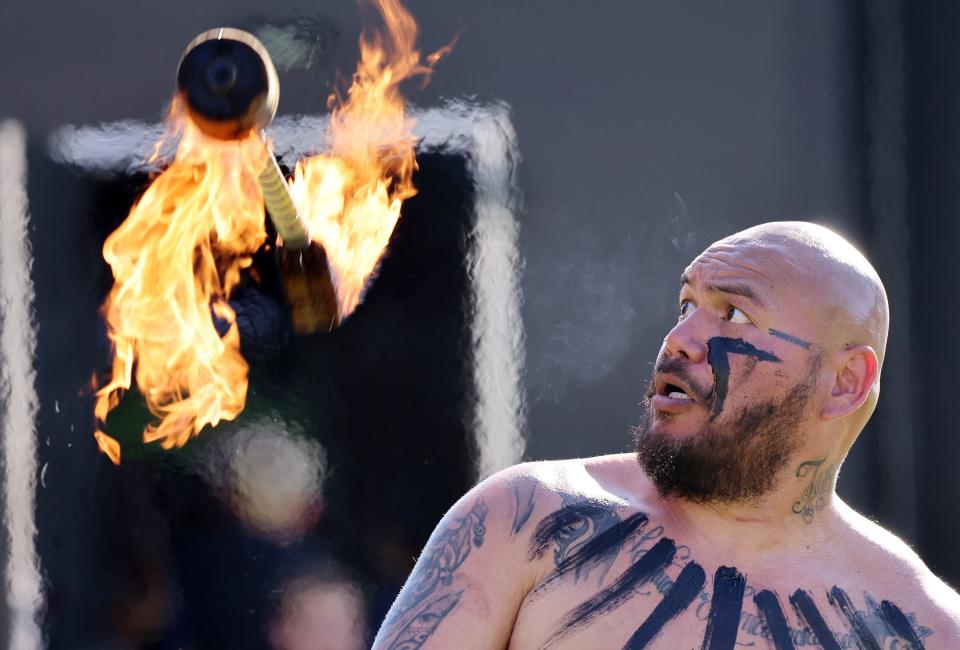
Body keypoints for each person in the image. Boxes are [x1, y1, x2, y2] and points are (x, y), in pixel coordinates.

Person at [371, 222, 960, 649]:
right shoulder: (526, 518)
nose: (680, 339)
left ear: (845, 382)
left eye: (733, 314)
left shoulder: (923, 626)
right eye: (685, 305)